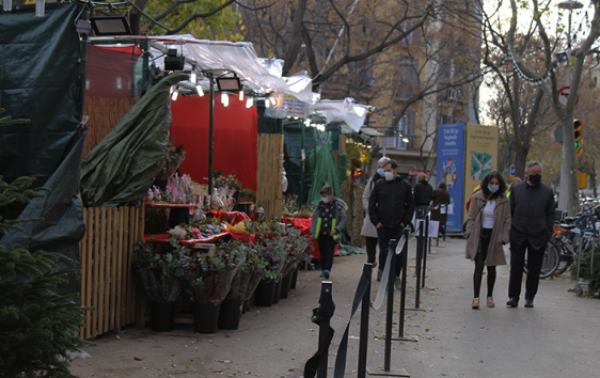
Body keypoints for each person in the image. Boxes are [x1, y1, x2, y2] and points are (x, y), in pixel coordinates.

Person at [507, 161, 555, 308]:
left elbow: (550, 214)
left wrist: (547, 232)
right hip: (518, 234)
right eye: (533, 172)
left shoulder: (547, 191)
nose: (536, 175)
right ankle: (514, 296)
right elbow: (510, 211)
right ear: (527, 174)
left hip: (538, 235)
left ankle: (530, 297)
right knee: (516, 266)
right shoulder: (516, 190)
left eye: (538, 172)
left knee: (534, 268)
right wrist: (510, 230)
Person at [465, 171, 511, 309]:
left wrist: (504, 237)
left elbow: (508, 220)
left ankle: (489, 296)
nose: (494, 186)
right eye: (492, 183)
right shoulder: (478, 197)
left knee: (492, 266)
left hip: (495, 235)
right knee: (479, 264)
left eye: (497, 184)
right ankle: (476, 297)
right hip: (480, 234)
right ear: (487, 183)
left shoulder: (503, 200)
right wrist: (469, 232)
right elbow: (471, 216)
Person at [369, 160, 415, 285]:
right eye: (385, 171)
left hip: (399, 225)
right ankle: (383, 273)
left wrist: (405, 222)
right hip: (383, 225)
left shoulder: (404, 186)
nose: (386, 173)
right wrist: (376, 221)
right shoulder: (379, 184)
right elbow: (372, 204)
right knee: (383, 251)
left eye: (389, 171)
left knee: (399, 253)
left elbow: (411, 205)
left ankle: (396, 276)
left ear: (396, 170)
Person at [310, 185, 347, 280]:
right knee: (322, 252)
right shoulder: (320, 205)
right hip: (321, 233)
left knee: (329, 251)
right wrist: (313, 232)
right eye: (323, 196)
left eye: (325, 196)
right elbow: (315, 218)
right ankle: (323, 269)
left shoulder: (338, 206)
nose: (324, 198)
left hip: (332, 234)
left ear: (331, 195)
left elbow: (343, 219)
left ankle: (327, 269)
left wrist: (337, 230)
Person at [360, 157, 390, 268]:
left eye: (383, 167)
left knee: (385, 246)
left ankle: (382, 269)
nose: (381, 169)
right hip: (372, 215)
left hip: (386, 217)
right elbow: (365, 197)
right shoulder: (372, 180)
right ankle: (371, 261)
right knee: (370, 242)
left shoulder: (392, 181)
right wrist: (369, 210)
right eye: (379, 167)